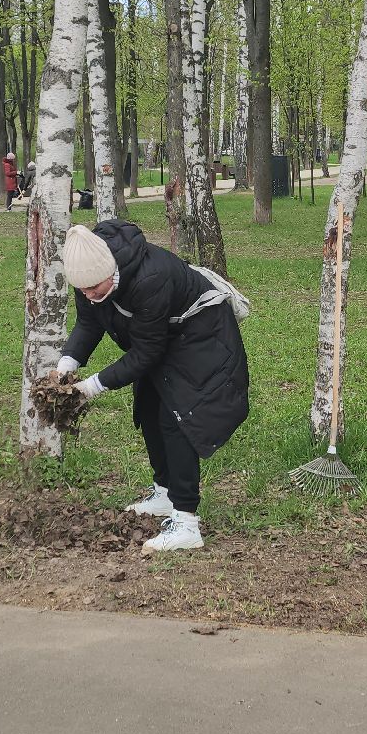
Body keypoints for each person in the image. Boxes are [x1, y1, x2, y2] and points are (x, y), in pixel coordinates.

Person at [56, 222, 249, 553]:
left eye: (93, 287)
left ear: (109, 270)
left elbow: (147, 353)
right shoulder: (86, 273)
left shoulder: (150, 278)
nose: (88, 295)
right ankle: (163, 493)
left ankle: (186, 523)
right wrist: (68, 362)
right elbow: (89, 322)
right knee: (147, 407)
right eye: (82, 289)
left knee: (177, 419)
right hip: (161, 334)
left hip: (199, 331)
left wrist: (92, 386)